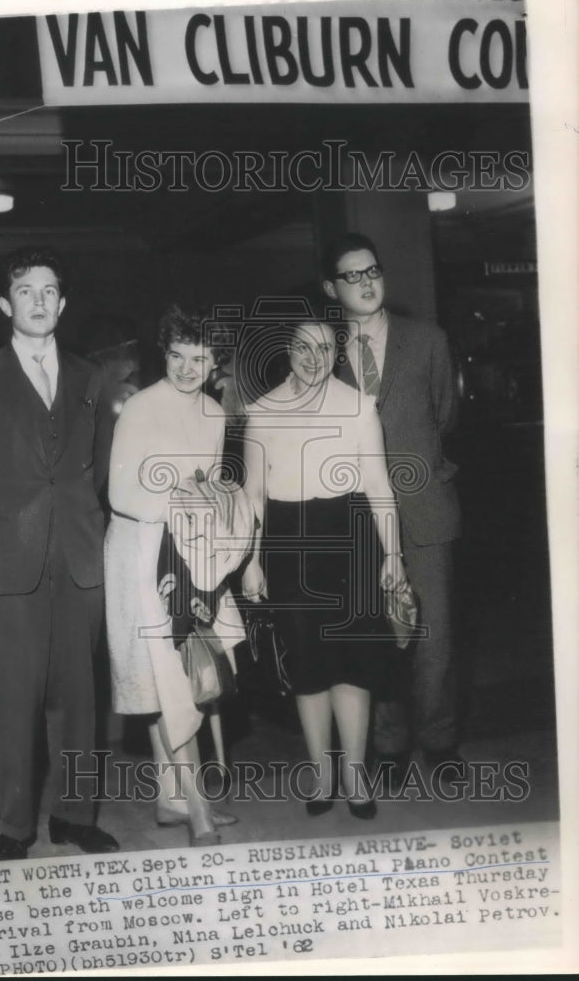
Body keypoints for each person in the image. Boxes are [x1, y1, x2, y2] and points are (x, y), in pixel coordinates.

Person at [0, 246, 119, 860]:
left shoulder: (91, 377)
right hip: (9, 559)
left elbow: (98, 467)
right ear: (4, 304)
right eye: (25, 291)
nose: (38, 302)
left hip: (79, 555)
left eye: (49, 291)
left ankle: (75, 816)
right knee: (12, 697)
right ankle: (15, 826)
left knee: (80, 697)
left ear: (62, 303)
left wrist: (72, 519)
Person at [242, 317, 407, 818]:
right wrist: (251, 561)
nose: (312, 359)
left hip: (350, 540)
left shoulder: (358, 406)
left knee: (353, 664)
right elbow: (252, 495)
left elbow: (380, 489)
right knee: (308, 665)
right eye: (301, 347)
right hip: (288, 543)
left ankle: (355, 772)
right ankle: (322, 772)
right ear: (286, 349)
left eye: (324, 349)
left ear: (337, 354)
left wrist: (393, 556)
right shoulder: (262, 410)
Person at [322, 231, 463, 784]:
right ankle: (389, 744)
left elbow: (446, 417)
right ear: (331, 289)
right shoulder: (323, 355)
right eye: (352, 276)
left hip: (426, 508)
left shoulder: (428, 341)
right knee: (375, 633)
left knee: (436, 636)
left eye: (372, 271)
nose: (366, 282)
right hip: (358, 517)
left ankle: (441, 740)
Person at [105, 303, 246, 847]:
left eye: (200, 357)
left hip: (192, 551)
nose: (188, 368)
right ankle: (198, 807)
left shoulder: (214, 414)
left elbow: (211, 489)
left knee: (194, 669)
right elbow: (121, 495)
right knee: (170, 677)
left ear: (215, 361)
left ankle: (170, 798)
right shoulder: (140, 408)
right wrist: (183, 501)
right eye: (177, 355)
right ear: (163, 353)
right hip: (141, 553)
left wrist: (209, 525)